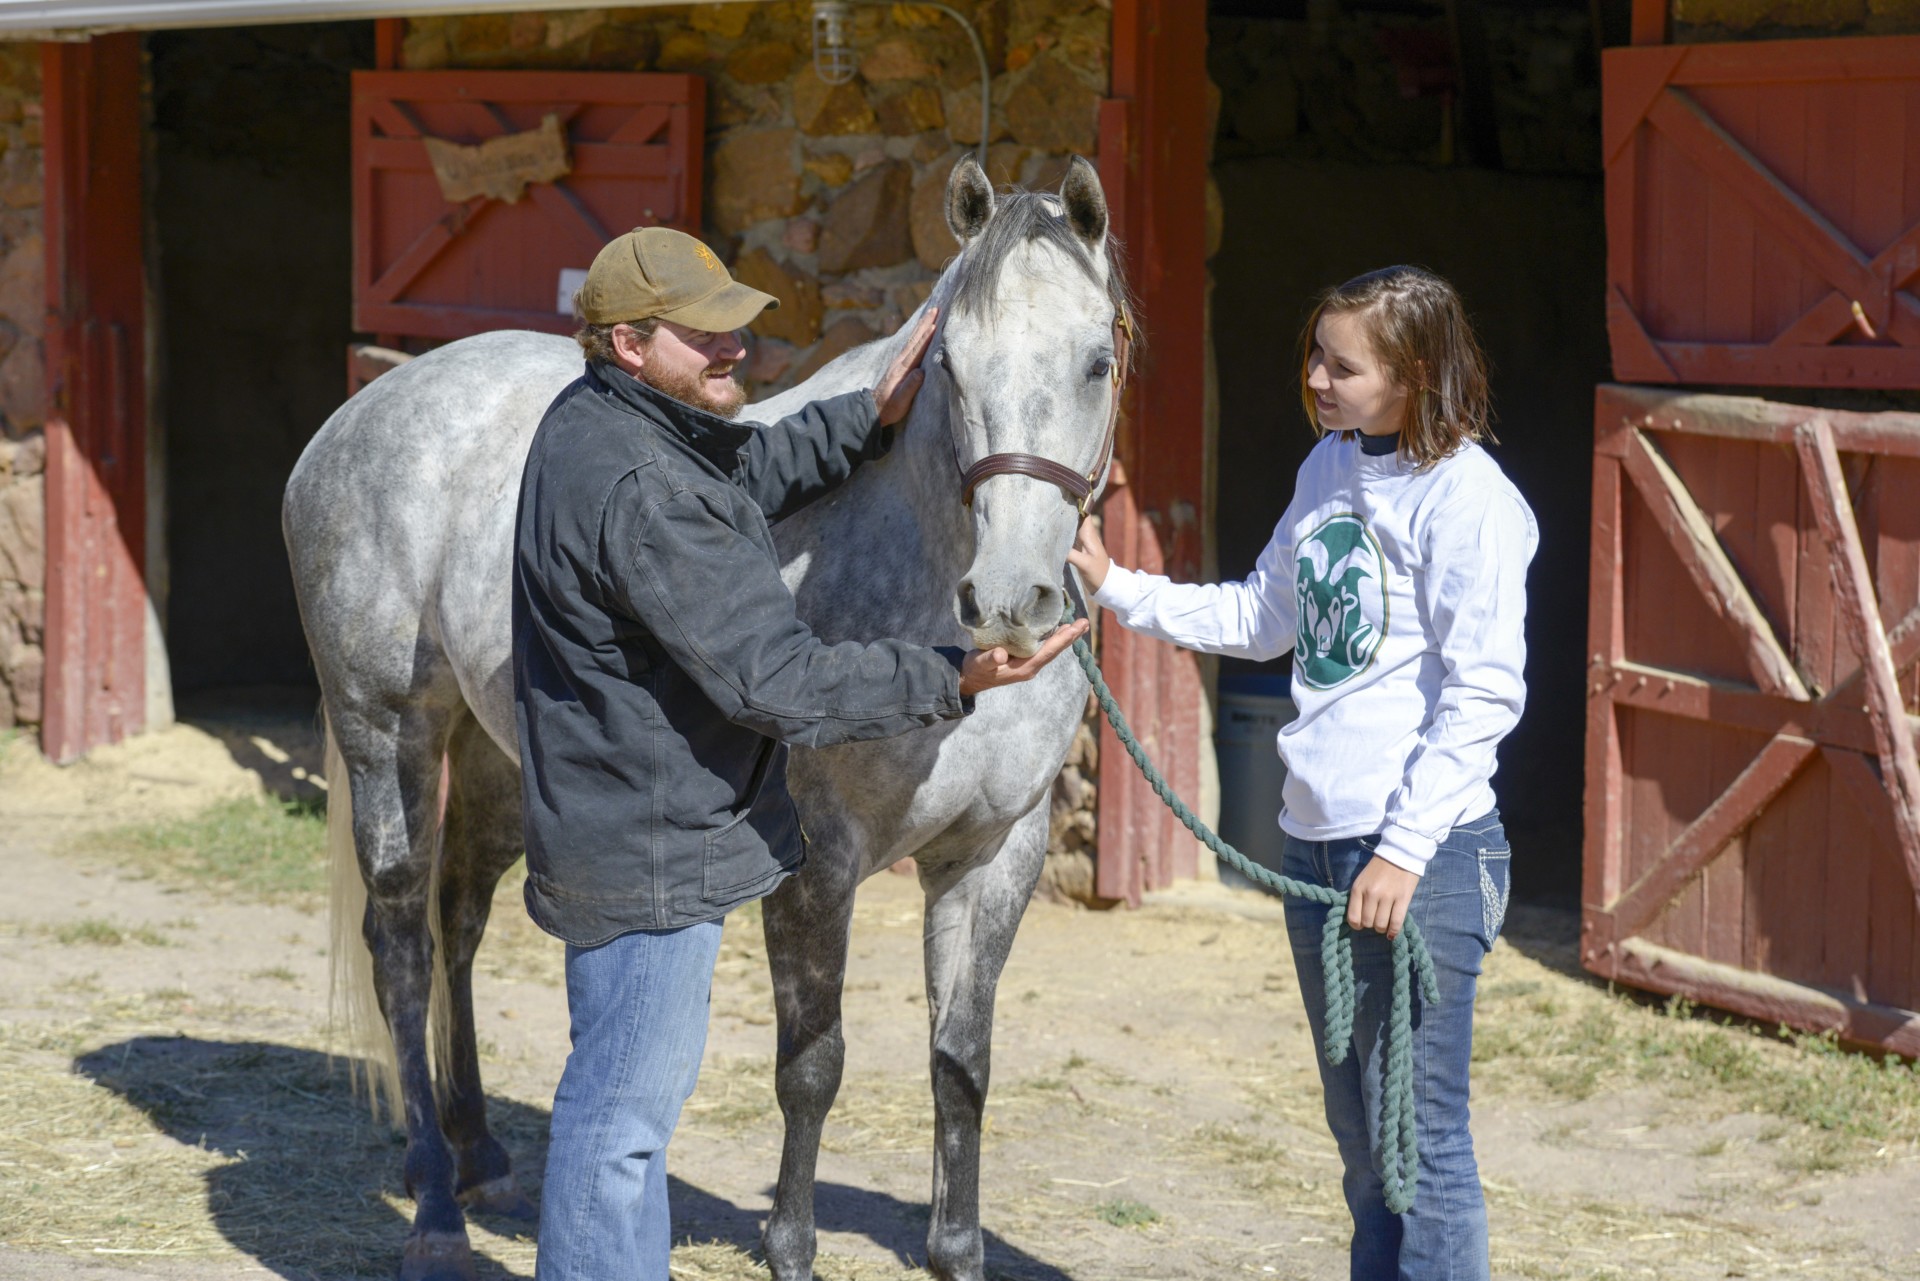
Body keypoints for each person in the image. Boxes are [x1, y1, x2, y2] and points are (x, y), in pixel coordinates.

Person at [512, 226, 1087, 1279]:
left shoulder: (603, 420)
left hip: (618, 817)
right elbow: (778, 681)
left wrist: (866, 415)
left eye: (737, 331)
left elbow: (744, 471)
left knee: (624, 1118)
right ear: (632, 343)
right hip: (649, 844)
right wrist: (950, 677)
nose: (738, 350)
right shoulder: (648, 492)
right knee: (621, 1125)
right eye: (710, 336)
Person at [1069, 265, 1535, 1279]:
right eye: (1314, 356)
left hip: (1418, 856)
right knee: (1364, 1149)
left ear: (1414, 373)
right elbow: (1263, 617)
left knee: (1424, 1145)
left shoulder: (1468, 498)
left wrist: (1405, 852)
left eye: (1342, 363)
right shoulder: (1329, 469)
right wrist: (1116, 590)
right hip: (1319, 849)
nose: (1316, 378)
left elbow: (1486, 692)